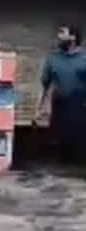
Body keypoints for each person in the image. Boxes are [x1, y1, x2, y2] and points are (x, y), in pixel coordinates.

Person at [34, 25, 86, 164]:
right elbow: (44, 85)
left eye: (62, 33)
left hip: (80, 108)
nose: (58, 36)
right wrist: (38, 109)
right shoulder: (53, 58)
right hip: (59, 107)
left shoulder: (84, 58)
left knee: (79, 145)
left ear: (73, 37)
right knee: (59, 145)